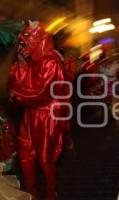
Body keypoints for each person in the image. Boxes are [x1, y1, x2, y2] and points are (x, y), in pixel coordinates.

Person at [9, 21, 70, 200]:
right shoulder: (32, 61)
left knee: (45, 159)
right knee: (25, 154)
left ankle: (51, 193)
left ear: (38, 38)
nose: (22, 42)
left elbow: (40, 93)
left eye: (27, 37)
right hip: (30, 113)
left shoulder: (50, 61)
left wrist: (17, 93)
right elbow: (23, 85)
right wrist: (21, 66)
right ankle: (31, 194)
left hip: (46, 115)